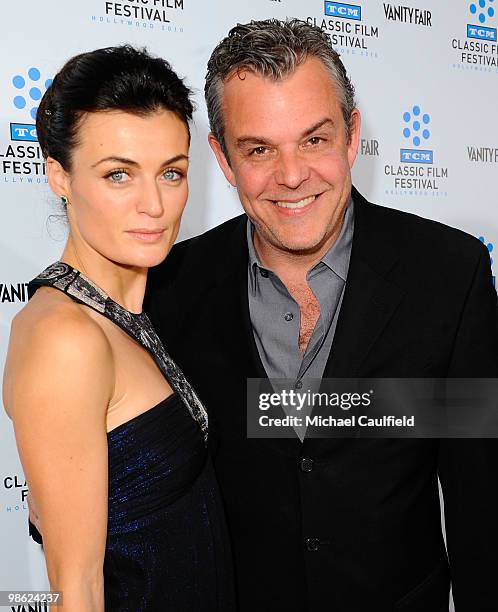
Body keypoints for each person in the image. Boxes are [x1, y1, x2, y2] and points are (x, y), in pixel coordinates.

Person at [27, 19, 498, 611]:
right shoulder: (168, 287)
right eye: (259, 150)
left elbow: (482, 501)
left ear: (352, 136)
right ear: (223, 159)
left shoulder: (448, 273)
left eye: (315, 140)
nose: (293, 175)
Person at [3, 45, 235, 612]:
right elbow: (77, 591)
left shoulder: (130, 312)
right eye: (117, 175)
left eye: (171, 173)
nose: (154, 205)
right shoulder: (65, 338)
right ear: (59, 175)